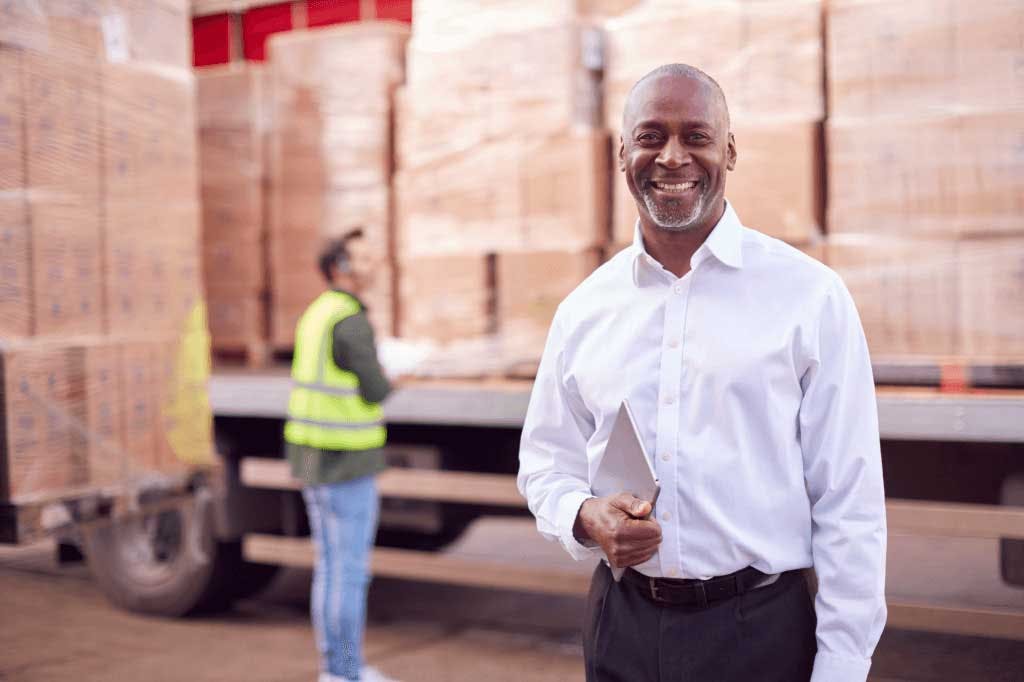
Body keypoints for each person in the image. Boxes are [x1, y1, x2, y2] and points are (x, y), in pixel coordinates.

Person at [517, 64, 886, 682]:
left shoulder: (808, 296)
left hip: (759, 633)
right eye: (650, 136)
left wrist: (843, 665)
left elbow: (848, 500)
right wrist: (585, 515)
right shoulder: (585, 309)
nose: (671, 156)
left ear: (729, 151)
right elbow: (545, 463)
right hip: (622, 628)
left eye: (696, 136)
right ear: (622, 153)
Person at [284, 229, 398, 682]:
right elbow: (376, 389)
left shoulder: (318, 312)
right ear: (340, 268)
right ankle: (345, 673)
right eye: (362, 258)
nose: (372, 265)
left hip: (314, 457)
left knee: (330, 568)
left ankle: (335, 668)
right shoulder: (350, 319)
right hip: (345, 462)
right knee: (348, 573)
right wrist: (396, 372)